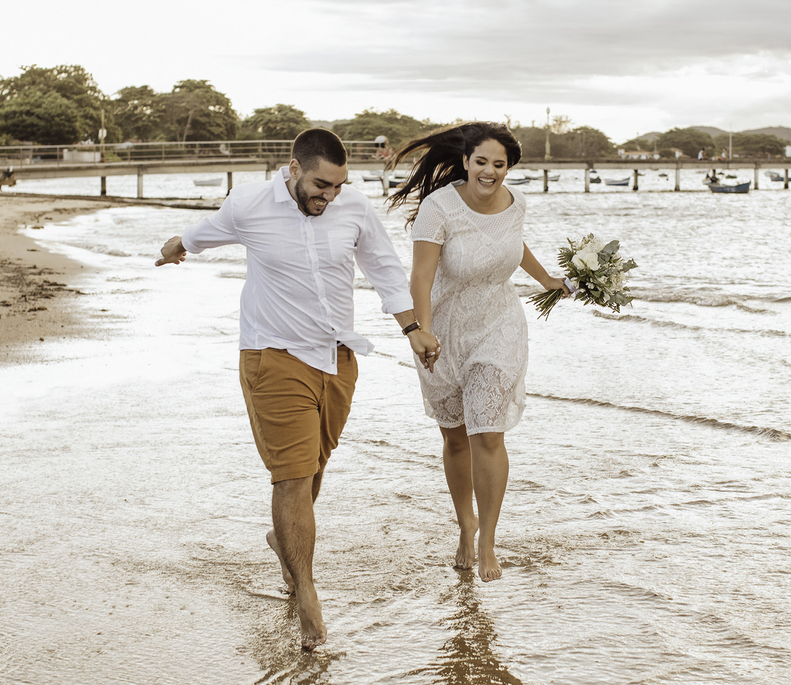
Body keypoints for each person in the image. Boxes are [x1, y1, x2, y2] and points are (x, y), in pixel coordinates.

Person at [155, 128, 440, 650]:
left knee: (314, 470)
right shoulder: (249, 205)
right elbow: (204, 231)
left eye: (337, 186)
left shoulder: (352, 207)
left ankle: (281, 542)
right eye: (320, 185)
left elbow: (383, 268)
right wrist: (178, 247)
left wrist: (412, 328)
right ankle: (306, 590)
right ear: (293, 168)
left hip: (337, 359)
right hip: (273, 355)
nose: (328, 196)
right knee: (292, 476)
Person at [387, 122, 569, 582]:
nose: (490, 171)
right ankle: (464, 524)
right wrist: (421, 332)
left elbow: (512, 244)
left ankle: (487, 537)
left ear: (510, 168)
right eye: (482, 162)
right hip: (444, 328)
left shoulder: (516, 203)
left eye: (500, 164)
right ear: (466, 161)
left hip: (499, 324)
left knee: (487, 431)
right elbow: (421, 278)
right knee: (454, 435)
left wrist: (547, 279)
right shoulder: (439, 207)